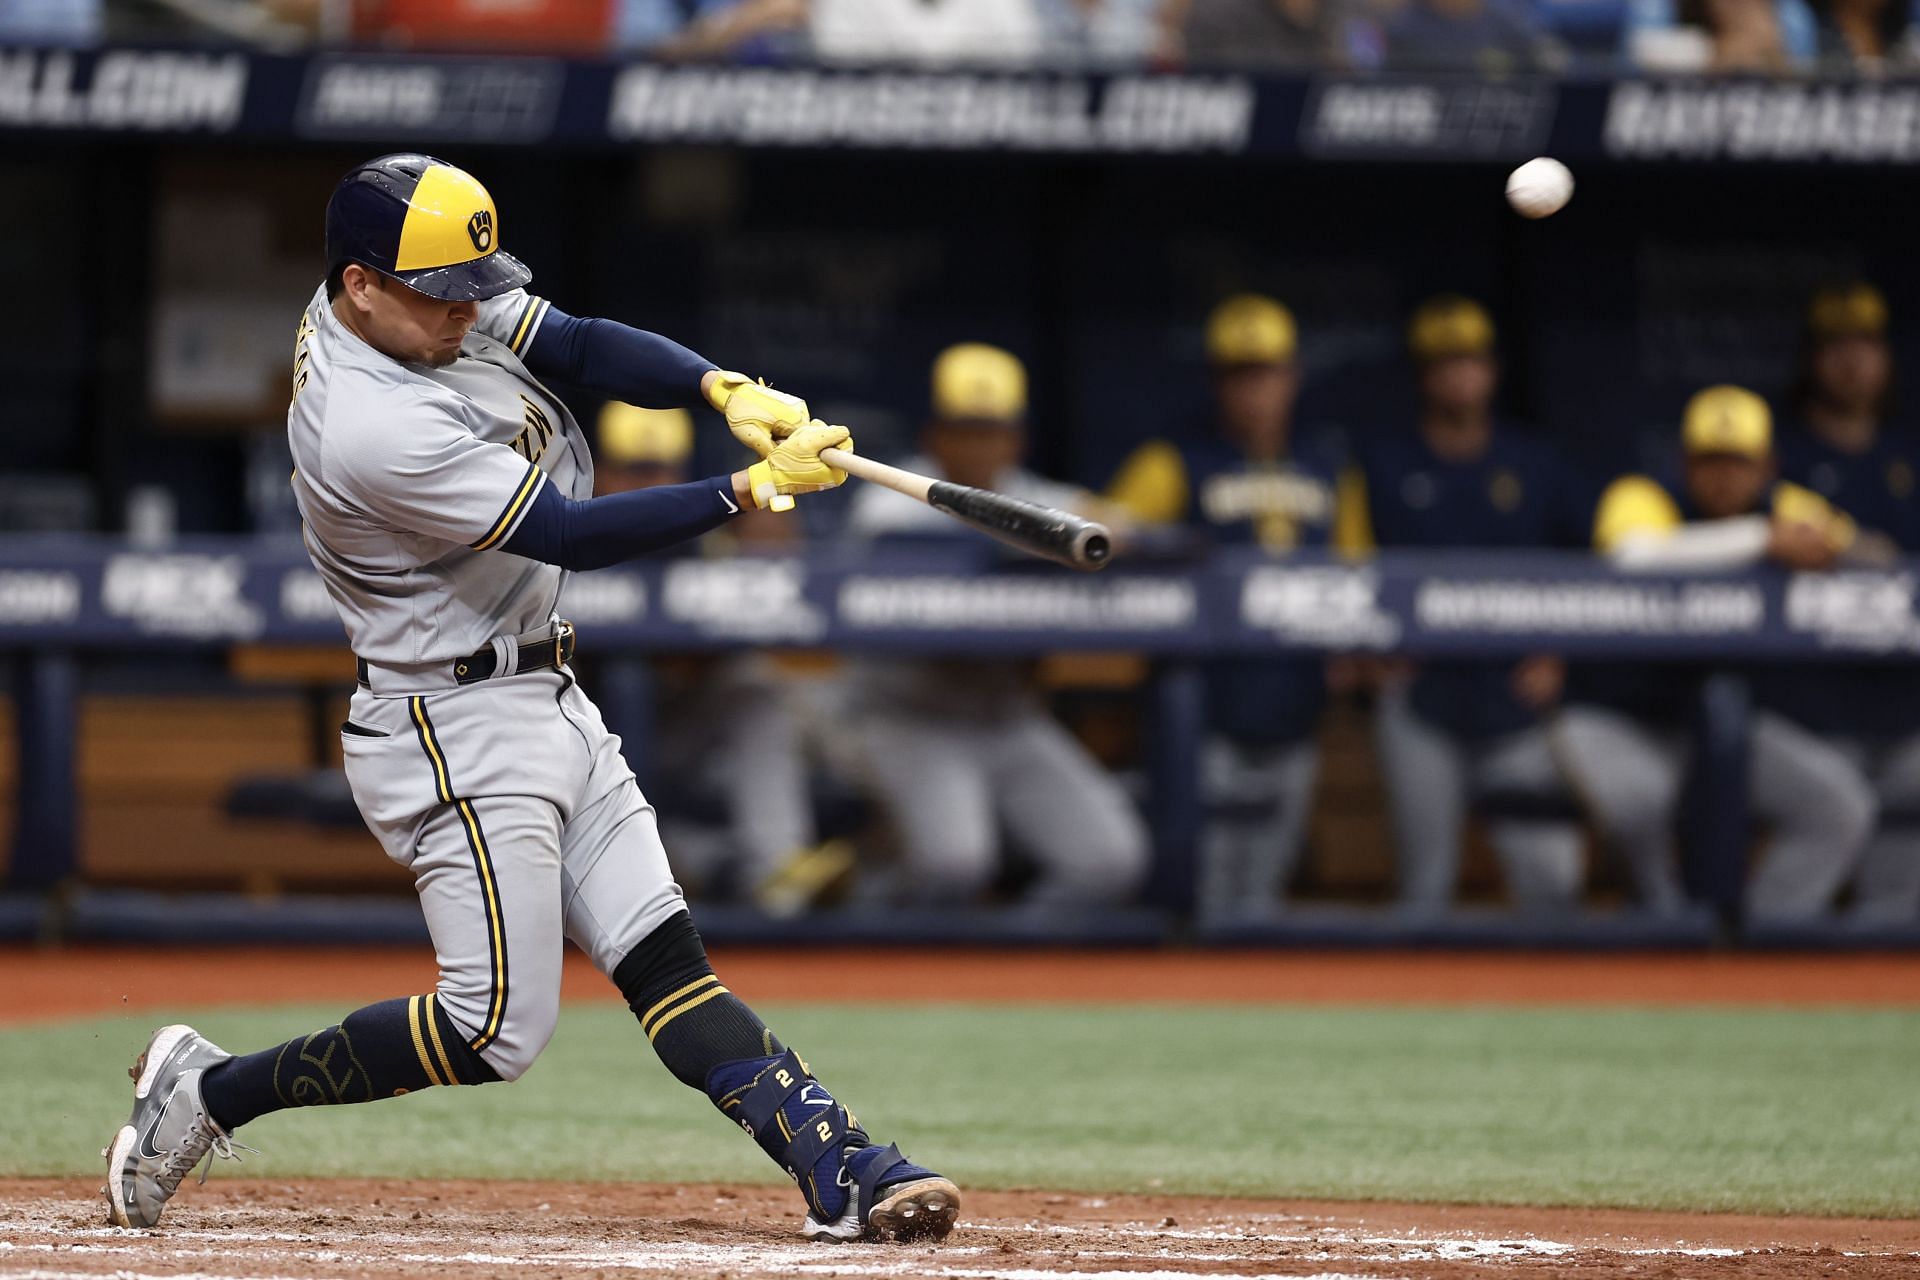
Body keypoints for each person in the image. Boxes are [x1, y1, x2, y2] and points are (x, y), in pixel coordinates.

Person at [103, 154, 958, 1245]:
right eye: (443, 295)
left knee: (663, 955)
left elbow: (577, 341)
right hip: (448, 725)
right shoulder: (369, 424)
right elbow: (563, 530)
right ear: (361, 284)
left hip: (541, 686)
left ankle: (839, 1160)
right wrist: (750, 488)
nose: (470, 311)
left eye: (473, 287)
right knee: (494, 1027)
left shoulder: (406, 299)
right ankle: (210, 1092)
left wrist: (720, 389)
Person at [1556, 385, 1878, 921]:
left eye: (1739, 462)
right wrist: (1759, 539)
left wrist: (1831, 550)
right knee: (1642, 804)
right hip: (1623, 717)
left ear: (1766, 465)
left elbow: (1873, 555)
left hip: (1719, 726)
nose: (1724, 476)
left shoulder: (1787, 506)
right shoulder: (1644, 494)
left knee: (1841, 806)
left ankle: (1757, 948)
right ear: (1685, 462)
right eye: (1710, 461)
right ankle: (1665, 943)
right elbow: (1633, 558)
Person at [847, 342, 1151, 907]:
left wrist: (1109, 528)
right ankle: (858, 906)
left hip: (1008, 718)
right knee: (956, 864)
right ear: (935, 434)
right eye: (965, 428)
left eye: (993, 429)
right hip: (911, 716)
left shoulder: (1037, 497)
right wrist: (1033, 550)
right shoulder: (894, 496)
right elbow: (902, 539)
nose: (980, 444)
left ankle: (1018, 979)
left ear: (1017, 437)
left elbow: (1121, 529)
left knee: (1110, 861)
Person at [1339, 296, 1587, 913]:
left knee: (1553, 884)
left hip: (1517, 699)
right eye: (1444, 363)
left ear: (1492, 370)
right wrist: (1367, 653)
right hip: (1421, 696)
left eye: (1470, 361)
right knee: (1426, 889)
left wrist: (1560, 655)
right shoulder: (1381, 464)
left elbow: (1593, 569)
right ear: (1424, 375)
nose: (1459, 376)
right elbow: (1346, 571)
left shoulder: (1534, 462)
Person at [1108, 294, 1338, 921]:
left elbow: (1362, 575)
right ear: (1218, 383)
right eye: (1240, 375)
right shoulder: (1172, 461)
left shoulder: (1328, 467)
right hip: (1203, 697)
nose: (1255, 391)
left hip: (1297, 694)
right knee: (1202, 891)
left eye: (1266, 373)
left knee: (1263, 894)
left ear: (1292, 377)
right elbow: (1106, 541)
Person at [595, 401, 855, 913]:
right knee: (626, 686)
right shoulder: (569, 535)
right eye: (634, 469)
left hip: (678, 737)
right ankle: (716, 867)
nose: (649, 482)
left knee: (755, 689)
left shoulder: (708, 544)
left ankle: (778, 866)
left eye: (661, 469)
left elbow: (776, 600)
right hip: (588, 746)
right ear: (602, 473)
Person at [1770, 284, 1920, 920]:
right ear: (1812, 360)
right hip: (1810, 706)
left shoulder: (1906, 459)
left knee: (1898, 893)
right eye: (1837, 347)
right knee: (1835, 809)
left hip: (1903, 703)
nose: (1853, 363)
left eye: (1866, 345)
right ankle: (1756, 969)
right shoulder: (1780, 461)